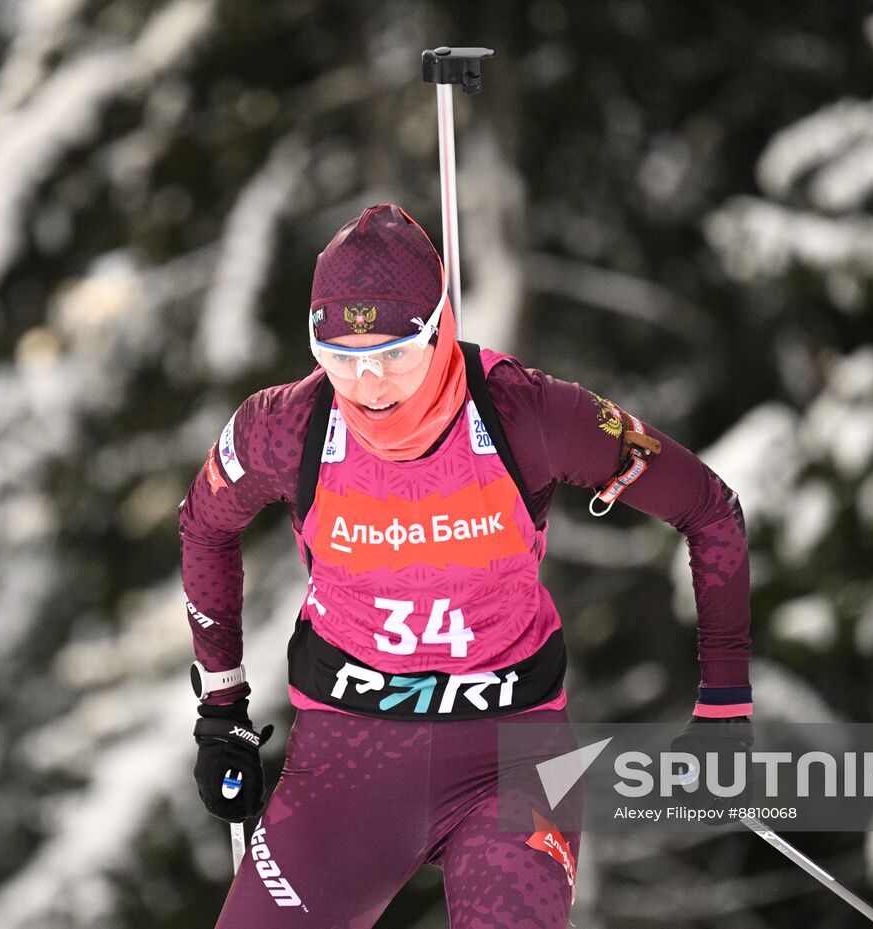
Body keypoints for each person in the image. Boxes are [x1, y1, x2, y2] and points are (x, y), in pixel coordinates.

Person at [180, 203, 753, 929]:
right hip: (347, 765)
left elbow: (709, 508)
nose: (371, 386)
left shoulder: (526, 415)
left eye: (396, 352)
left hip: (514, 760)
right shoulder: (288, 427)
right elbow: (202, 523)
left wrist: (725, 702)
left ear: (438, 328)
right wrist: (222, 706)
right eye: (343, 358)